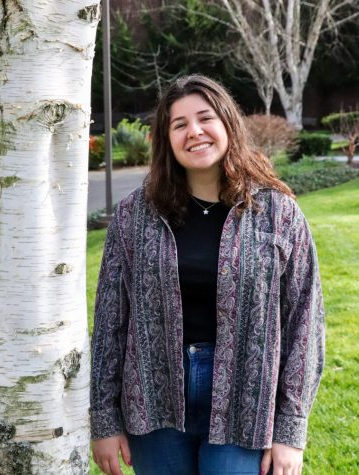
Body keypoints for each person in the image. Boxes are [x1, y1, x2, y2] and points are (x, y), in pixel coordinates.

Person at [90, 75, 325, 475]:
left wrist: (290, 431)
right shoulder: (134, 216)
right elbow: (111, 320)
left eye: (205, 118)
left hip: (244, 401)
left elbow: (305, 323)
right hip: (153, 401)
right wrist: (105, 419)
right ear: (166, 139)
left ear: (228, 124)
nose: (194, 132)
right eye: (179, 124)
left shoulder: (278, 214)